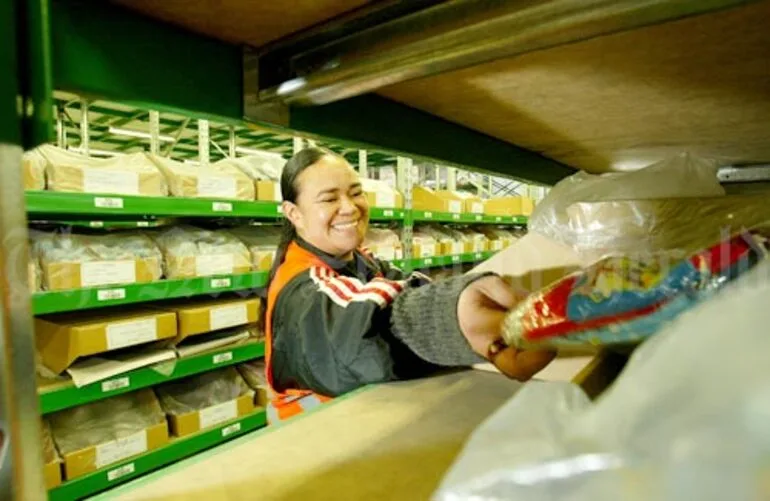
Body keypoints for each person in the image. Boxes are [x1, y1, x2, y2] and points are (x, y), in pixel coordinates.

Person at [264, 147, 555, 423]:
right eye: (329, 199)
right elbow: (348, 334)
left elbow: (404, 289)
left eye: (356, 193)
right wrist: (453, 318)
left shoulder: (360, 260)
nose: (350, 208)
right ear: (294, 214)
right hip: (312, 436)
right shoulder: (302, 290)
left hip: (356, 420)